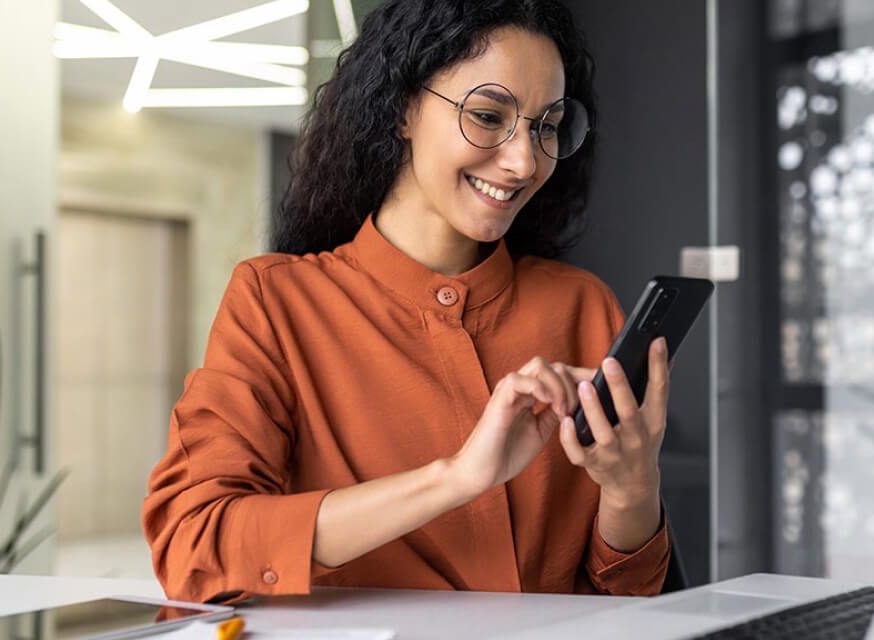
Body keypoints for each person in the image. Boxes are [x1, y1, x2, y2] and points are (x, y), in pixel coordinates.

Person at [142, 0, 671, 604]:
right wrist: (455, 479)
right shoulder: (276, 302)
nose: (524, 161)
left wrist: (633, 488)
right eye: (488, 115)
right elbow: (193, 545)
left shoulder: (583, 308)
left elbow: (629, 598)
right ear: (401, 110)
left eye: (546, 126)